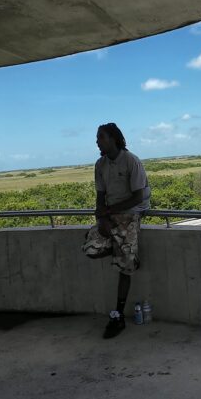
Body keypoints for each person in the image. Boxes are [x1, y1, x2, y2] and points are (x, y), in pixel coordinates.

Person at [88, 123, 151, 339]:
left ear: (114, 139)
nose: (97, 141)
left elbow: (138, 197)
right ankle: (127, 253)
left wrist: (108, 211)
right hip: (111, 214)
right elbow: (99, 197)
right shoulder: (100, 164)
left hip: (132, 212)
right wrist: (102, 218)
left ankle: (118, 314)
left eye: (101, 137)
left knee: (124, 268)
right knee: (90, 248)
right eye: (97, 138)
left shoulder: (131, 160)